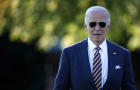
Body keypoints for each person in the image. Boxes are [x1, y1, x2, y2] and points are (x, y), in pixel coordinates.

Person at [53, 6, 136, 90]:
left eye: (102, 24)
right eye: (92, 24)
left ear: (108, 27)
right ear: (86, 27)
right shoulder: (69, 54)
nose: (97, 28)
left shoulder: (122, 54)